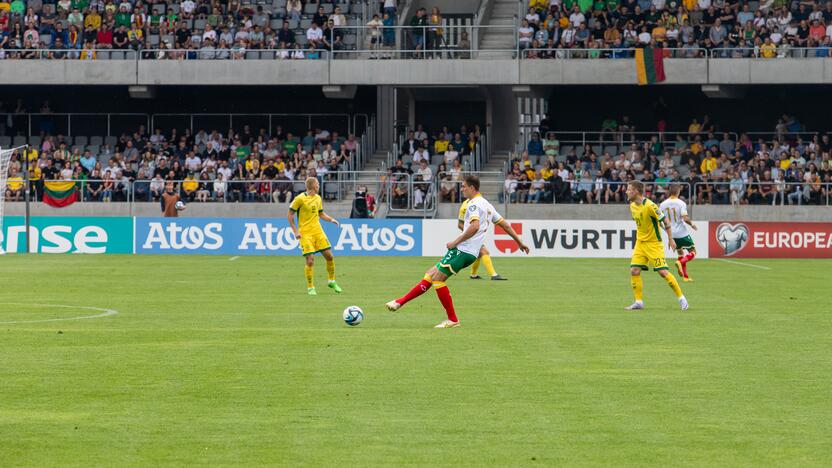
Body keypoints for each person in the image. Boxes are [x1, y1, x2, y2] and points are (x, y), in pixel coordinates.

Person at [385, 176, 529, 328]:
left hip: (463, 250)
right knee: (430, 274)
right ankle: (399, 302)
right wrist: (519, 242)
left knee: (438, 280)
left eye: (464, 186)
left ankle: (452, 320)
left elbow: (474, 226)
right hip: (468, 251)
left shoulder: (473, 204)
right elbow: (505, 225)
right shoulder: (487, 205)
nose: (462, 189)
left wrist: (455, 242)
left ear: (472, 188)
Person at [625, 180, 688, 311]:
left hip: (654, 244)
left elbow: (665, 221)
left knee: (663, 272)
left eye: (629, 189)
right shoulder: (632, 205)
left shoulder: (650, 206)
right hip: (640, 243)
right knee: (634, 270)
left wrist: (671, 239)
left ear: (636, 191)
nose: (626, 191)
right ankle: (638, 302)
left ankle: (682, 298)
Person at [288, 177, 342, 296]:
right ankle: (310, 287)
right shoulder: (300, 199)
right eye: (317, 184)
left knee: (329, 256)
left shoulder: (318, 198)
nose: (319, 186)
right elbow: (290, 214)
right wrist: (295, 231)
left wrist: (331, 219)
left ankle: (332, 281)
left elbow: (321, 214)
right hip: (305, 233)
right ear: (312, 186)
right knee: (310, 260)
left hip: (318, 231)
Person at [458, 197, 507, 281]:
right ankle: (494, 275)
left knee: (478, 254)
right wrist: (470, 232)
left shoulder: (480, 203)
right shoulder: (465, 205)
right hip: (471, 236)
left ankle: (473, 275)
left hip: (476, 236)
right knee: (484, 252)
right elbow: (460, 224)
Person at [659, 184, 698, 282]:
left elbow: (660, 221)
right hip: (681, 232)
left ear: (669, 191)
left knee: (680, 252)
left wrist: (668, 235)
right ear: (678, 192)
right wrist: (692, 224)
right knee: (693, 252)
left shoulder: (663, 204)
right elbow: (685, 218)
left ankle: (685, 277)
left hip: (671, 234)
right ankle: (681, 262)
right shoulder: (681, 203)